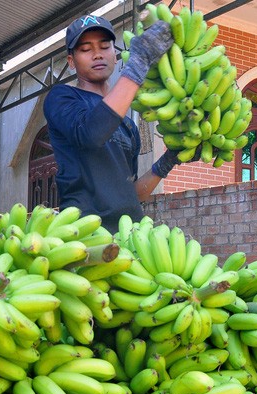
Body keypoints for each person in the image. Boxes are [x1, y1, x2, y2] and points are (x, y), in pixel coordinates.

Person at [43, 14, 197, 233]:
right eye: (86, 50)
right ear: (71, 62)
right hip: (85, 234)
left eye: (104, 46)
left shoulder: (128, 126)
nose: (97, 54)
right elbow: (90, 134)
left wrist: (168, 161)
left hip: (130, 235)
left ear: (115, 56)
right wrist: (137, 65)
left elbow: (132, 194)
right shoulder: (62, 97)